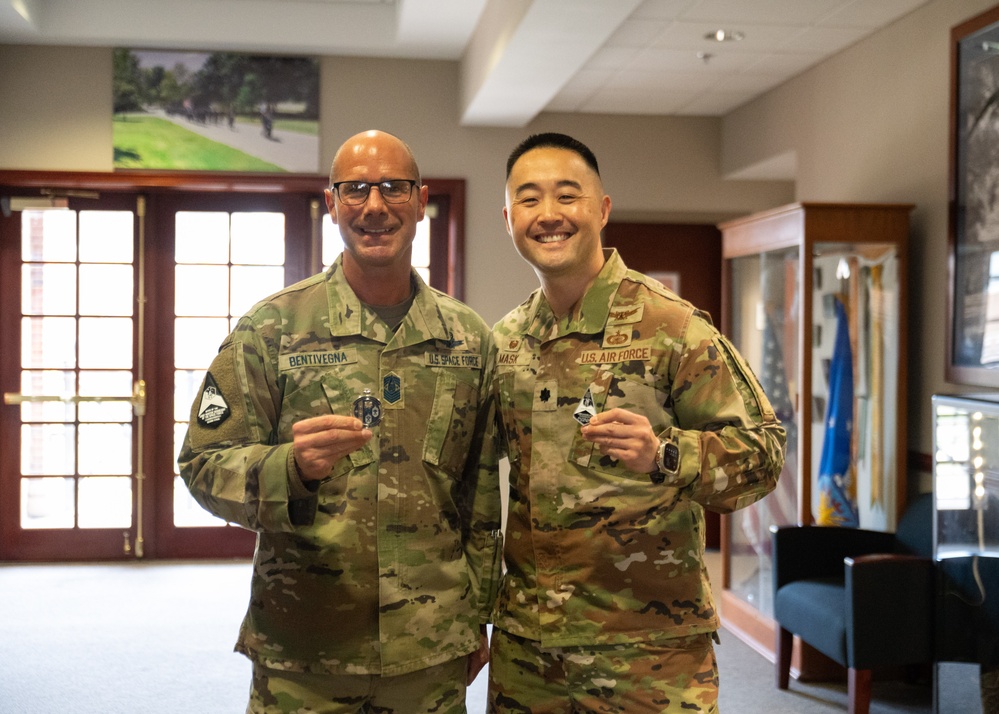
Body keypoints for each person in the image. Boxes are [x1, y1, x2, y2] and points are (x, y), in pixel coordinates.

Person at [178, 130, 502, 714]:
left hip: (427, 653)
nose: (374, 206)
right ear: (331, 204)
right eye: (355, 189)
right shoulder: (272, 330)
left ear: (421, 199)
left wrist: (476, 616)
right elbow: (201, 465)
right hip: (305, 650)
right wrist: (289, 468)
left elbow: (478, 500)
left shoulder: (468, 340)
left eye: (393, 188)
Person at [487, 132, 787, 713]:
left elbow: (764, 452)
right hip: (531, 654)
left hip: (649, 653)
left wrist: (666, 455)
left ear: (602, 209)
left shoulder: (671, 326)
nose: (549, 215)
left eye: (567, 196)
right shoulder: (506, 343)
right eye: (529, 199)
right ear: (507, 218)